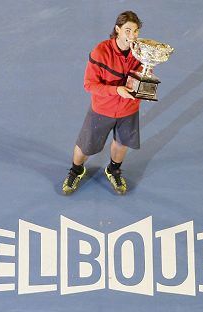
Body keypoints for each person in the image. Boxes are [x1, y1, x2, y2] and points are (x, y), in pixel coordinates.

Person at [62, 11, 143, 195]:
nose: (132, 35)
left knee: (122, 143)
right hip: (102, 109)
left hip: (129, 109)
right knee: (85, 147)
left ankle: (113, 170)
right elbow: (89, 84)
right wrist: (116, 90)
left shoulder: (141, 52)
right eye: (128, 30)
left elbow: (142, 76)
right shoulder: (100, 52)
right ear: (118, 30)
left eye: (136, 31)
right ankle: (76, 170)